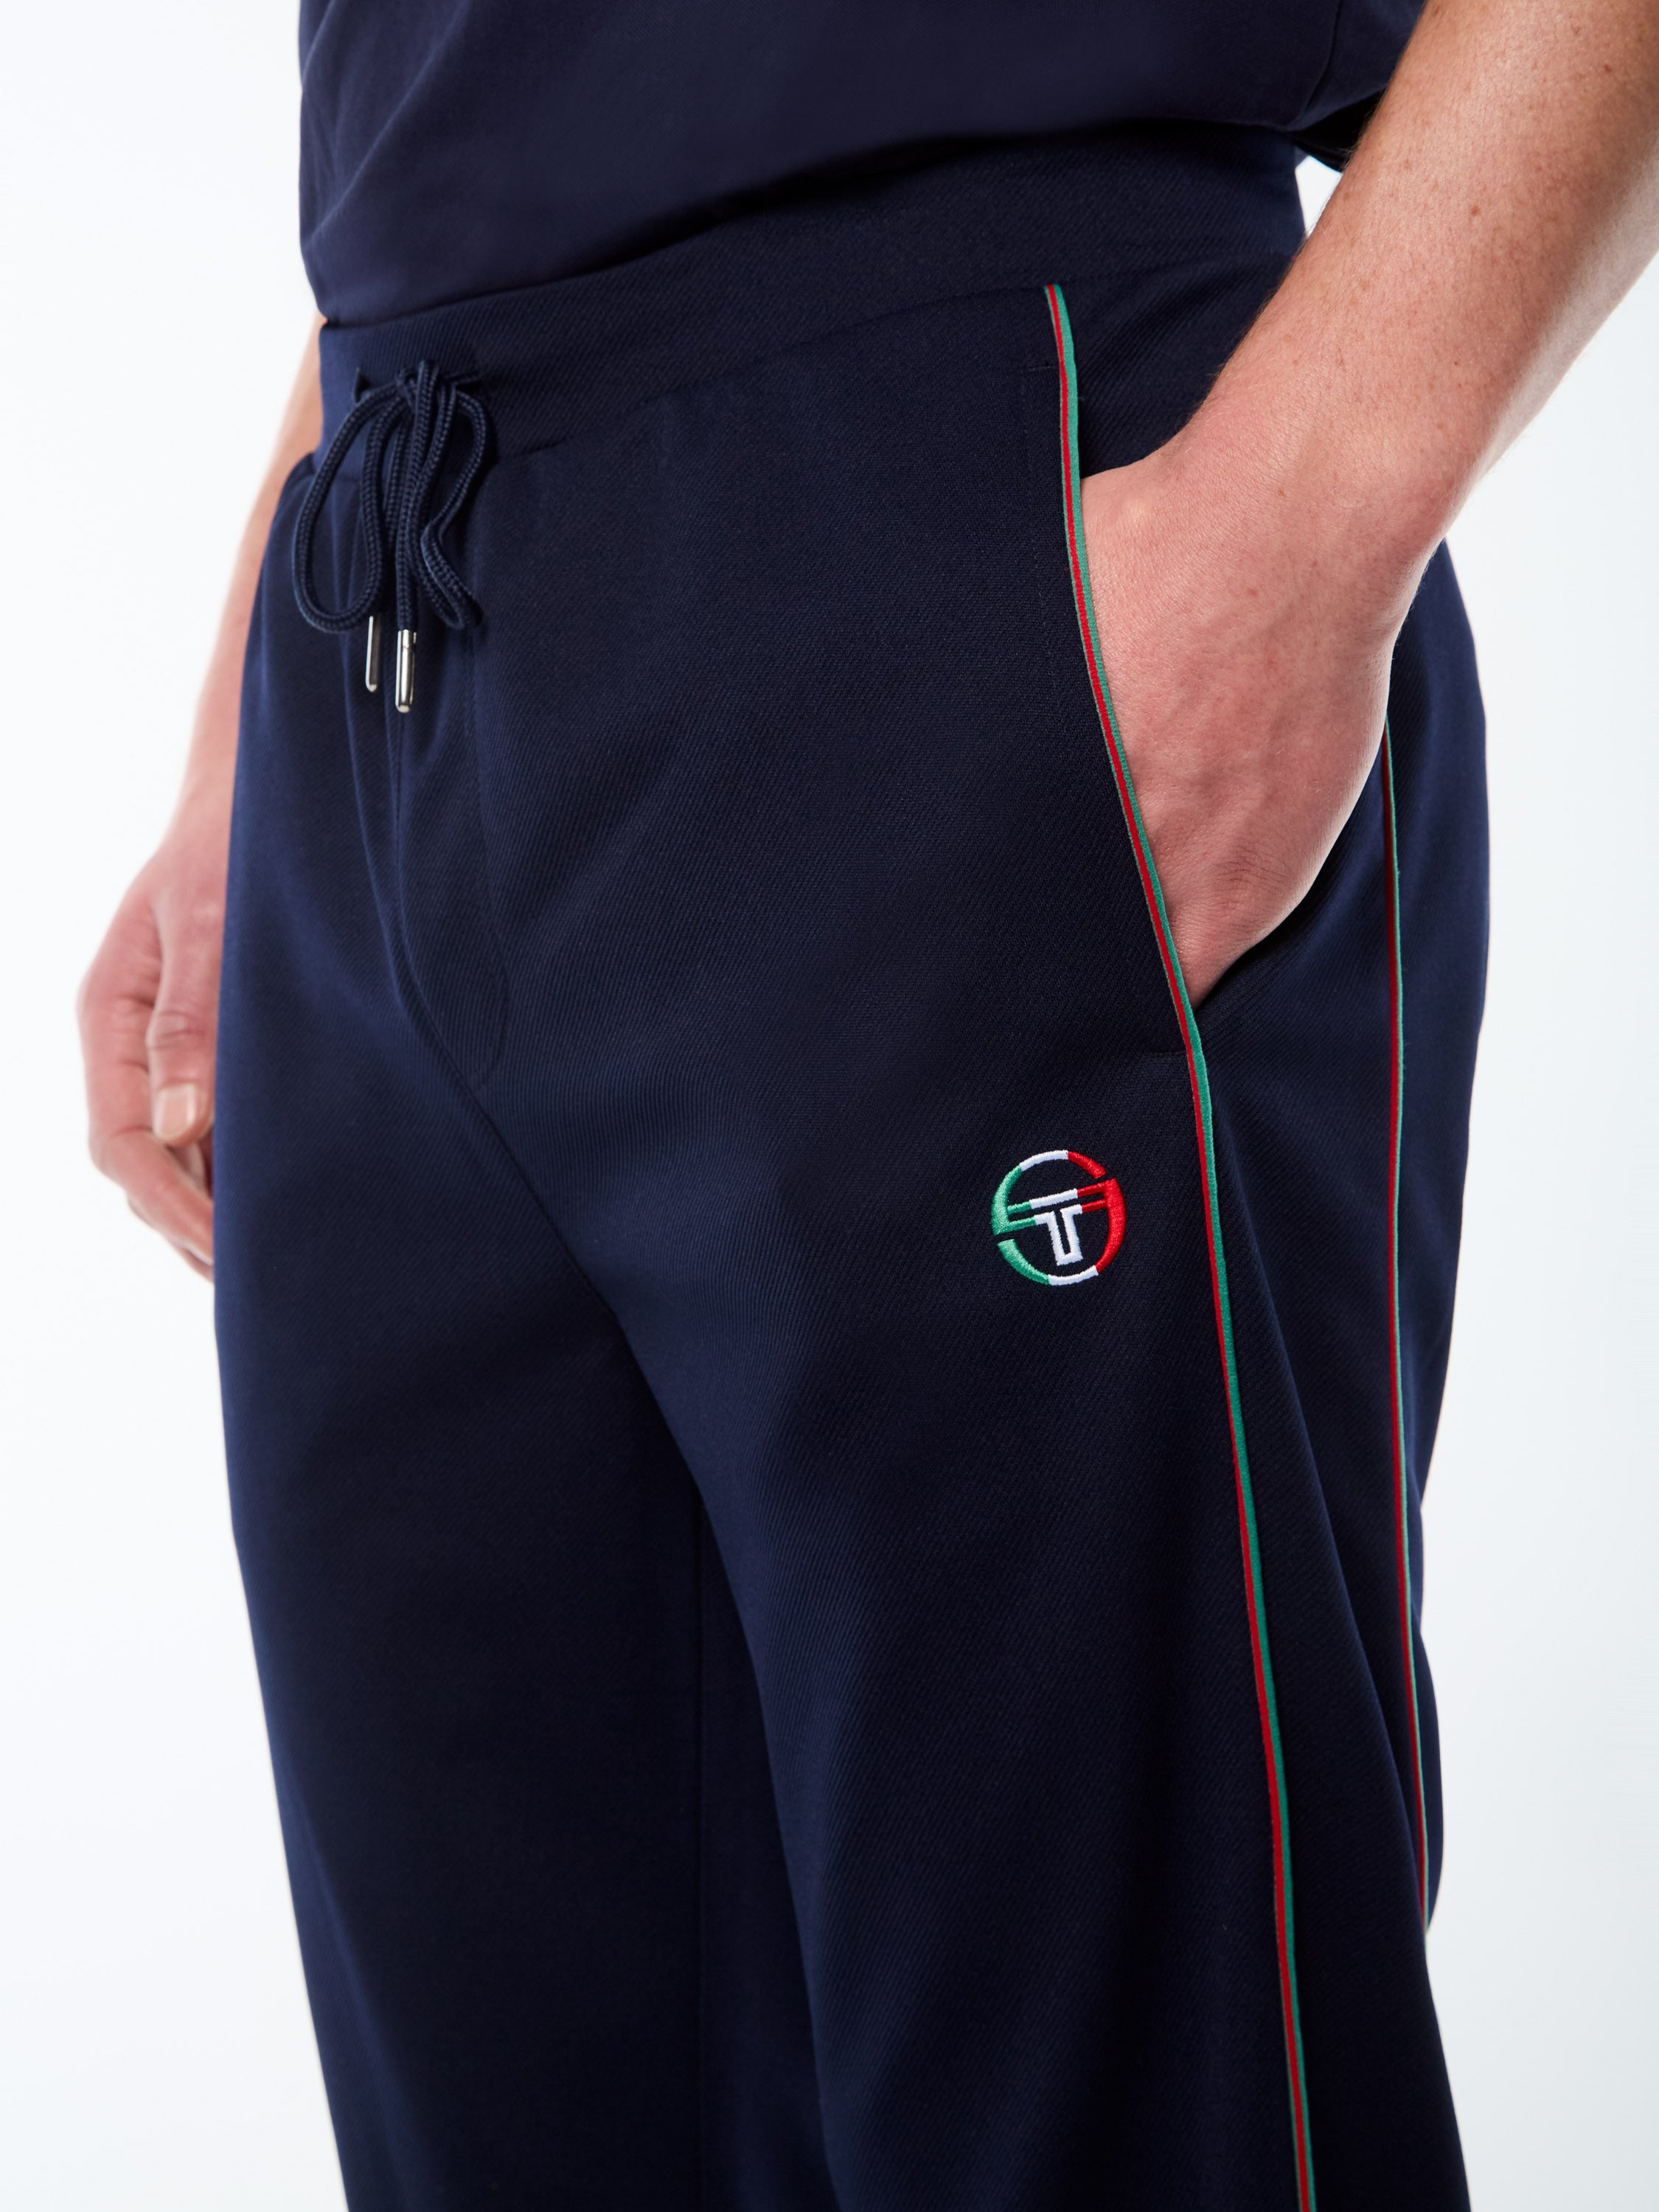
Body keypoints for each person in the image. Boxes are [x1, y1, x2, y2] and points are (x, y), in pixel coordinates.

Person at [77, 1, 1659, 2205]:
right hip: (396, 579)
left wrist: (1307, 524)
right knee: (513, 2126)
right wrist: (246, 714)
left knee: (1118, 2105)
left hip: (980, 479)